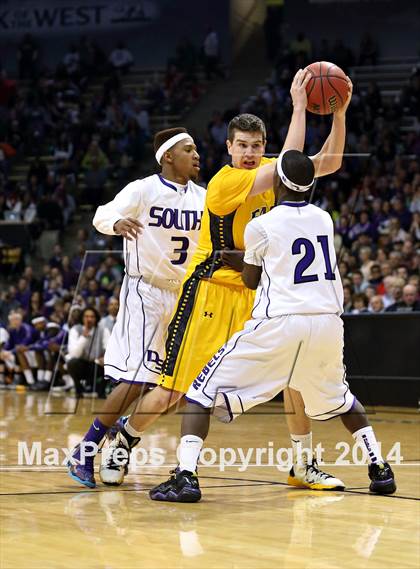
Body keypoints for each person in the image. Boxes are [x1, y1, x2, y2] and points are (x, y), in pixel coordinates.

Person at [102, 70, 352, 490]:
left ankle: (303, 463)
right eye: (243, 146)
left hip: (256, 296)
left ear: (264, 147)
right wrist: (298, 106)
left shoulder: (275, 169)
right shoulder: (225, 181)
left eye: (257, 146)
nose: (251, 153)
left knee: (294, 378)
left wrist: (339, 113)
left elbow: (330, 162)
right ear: (230, 148)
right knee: (176, 391)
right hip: (209, 292)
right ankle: (123, 440)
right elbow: (293, 161)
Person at [149, 151, 396, 502]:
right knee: (341, 398)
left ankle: (185, 477)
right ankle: (379, 467)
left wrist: (236, 259)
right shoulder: (324, 218)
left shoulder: (260, 226)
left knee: (200, 391)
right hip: (327, 322)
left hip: (280, 323)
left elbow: (251, 281)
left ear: (277, 181)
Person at [67, 128, 205, 488]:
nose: (196, 155)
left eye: (196, 150)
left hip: (182, 297)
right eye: (189, 149)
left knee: (174, 388)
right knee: (138, 378)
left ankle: (123, 439)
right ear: (168, 156)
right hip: (145, 290)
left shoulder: (204, 198)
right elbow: (101, 214)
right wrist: (116, 222)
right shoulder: (143, 189)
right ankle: (85, 449)